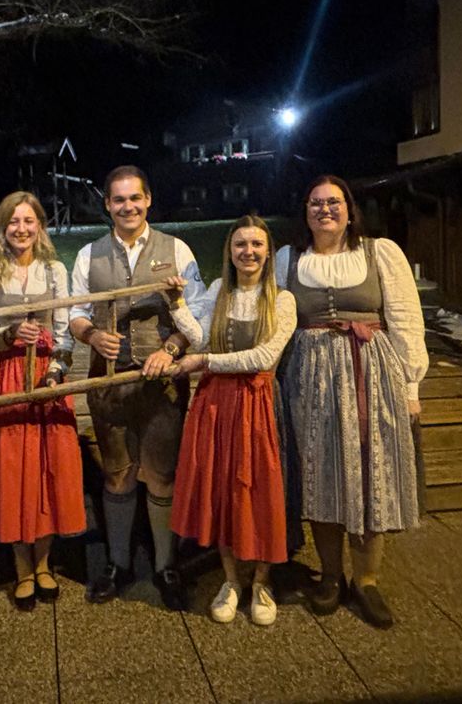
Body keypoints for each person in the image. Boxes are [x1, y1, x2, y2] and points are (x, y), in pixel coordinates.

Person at [276, 174, 428, 629]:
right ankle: (329, 575)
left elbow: (404, 317)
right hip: (308, 377)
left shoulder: (380, 252)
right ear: (305, 210)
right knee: (319, 474)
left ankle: (367, 579)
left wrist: (410, 386)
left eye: (334, 202)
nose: (325, 210)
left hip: (370, 373)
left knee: (370, 472)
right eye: (316, 202)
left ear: (348, 208)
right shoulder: (287, 259)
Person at [69, 166, 205, 610]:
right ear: (107, 204)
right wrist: (91, 335)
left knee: (161, 476)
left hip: (161, 383)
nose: (127, 206)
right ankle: (119, 562)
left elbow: (197, 311)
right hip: (108, 383)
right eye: (118, 200)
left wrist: (172, 346)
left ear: (148, 201)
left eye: (135, 198)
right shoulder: (89, 254)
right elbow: (73, 313)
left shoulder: (177, 248)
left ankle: (165, 564)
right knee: (117, 473)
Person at [166, 216, 297, 626]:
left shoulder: (282, 299)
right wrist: (176, 304)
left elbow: (264, 358)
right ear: (230, 252)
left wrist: (204, 362)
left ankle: (261, 581)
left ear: (267, 250)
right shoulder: (222, 290)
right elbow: (201, 335)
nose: (249, 252)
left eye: (256, 244)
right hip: (217, 405)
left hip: (258, 403)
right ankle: (230, 580)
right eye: (240, 245)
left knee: (260, 490)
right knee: (221, 488)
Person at [0, 192, 86, 610]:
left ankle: (44, 563)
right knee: (13, 468)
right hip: (4, 376)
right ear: (2, 228)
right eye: (12, 222)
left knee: (47, 468)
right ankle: (21, 566)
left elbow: (65, 329)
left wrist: (56, 369)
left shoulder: (54, 270)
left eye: (28, 221)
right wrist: (5, 336)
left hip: (46, 374)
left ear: (40, 226)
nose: (21, 229)